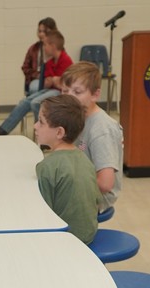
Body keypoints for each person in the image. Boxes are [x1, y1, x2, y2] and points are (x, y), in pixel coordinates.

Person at [34, 95, 101, 244]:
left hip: (64, 240)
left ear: (59, 132)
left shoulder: (47, 167)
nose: (35, 126)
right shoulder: (85, 159)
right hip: (88, 234)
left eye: (41, 122)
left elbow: (42, 216)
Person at [61, 61, 124, 212]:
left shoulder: (102, 129)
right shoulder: (77, 117)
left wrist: (65, 185)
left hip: (97, 196)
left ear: (95, 94)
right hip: (81, 184)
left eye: (77, 92)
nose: (69, 97)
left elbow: (105, 184)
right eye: (64, 91)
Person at [0, 29, 72, 136]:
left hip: (60, 93)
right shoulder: (50, 62)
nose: (44, 48)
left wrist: (55, 81)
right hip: (51, 89)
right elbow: (48, 82)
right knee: (25, 102)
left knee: (36, 102)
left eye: (46, 45)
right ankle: (3, 130)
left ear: (53, 46)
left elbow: (64, 84)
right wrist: (54, 80)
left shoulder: (66, 60)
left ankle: (43, 133)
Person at [21, 18, 57, 95]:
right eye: (39, 31)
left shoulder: (57, 48)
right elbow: (25, 67)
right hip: (37, 79)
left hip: (53, 80)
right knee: (35, 88)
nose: (41, 34)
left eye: (44, 31)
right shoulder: (33, 48)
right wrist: (37, 75)